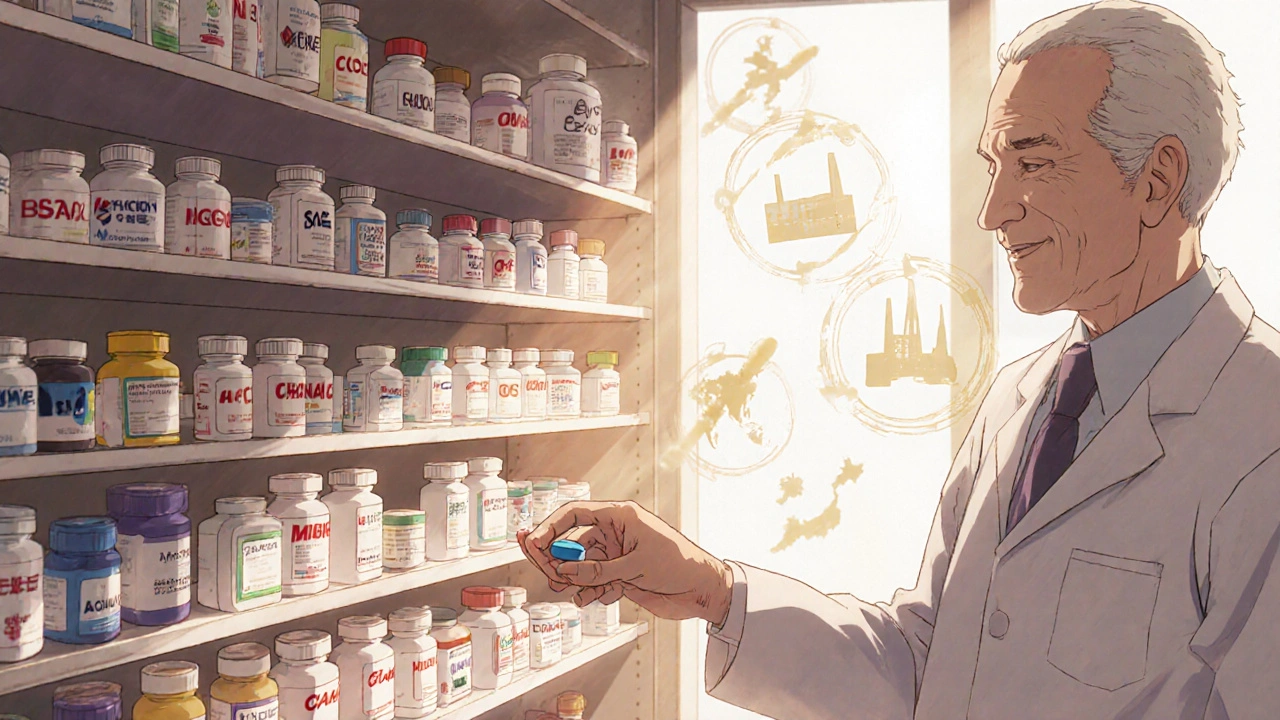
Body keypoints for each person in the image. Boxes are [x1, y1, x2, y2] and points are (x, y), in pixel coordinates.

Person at [520, 2, 1280, 718]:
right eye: (993, 166)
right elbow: (931, 668)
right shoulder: (1027, 399)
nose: (993, 212)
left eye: (1034, 162)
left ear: (1157, 180)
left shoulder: (1260, 425)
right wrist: (708, 589)